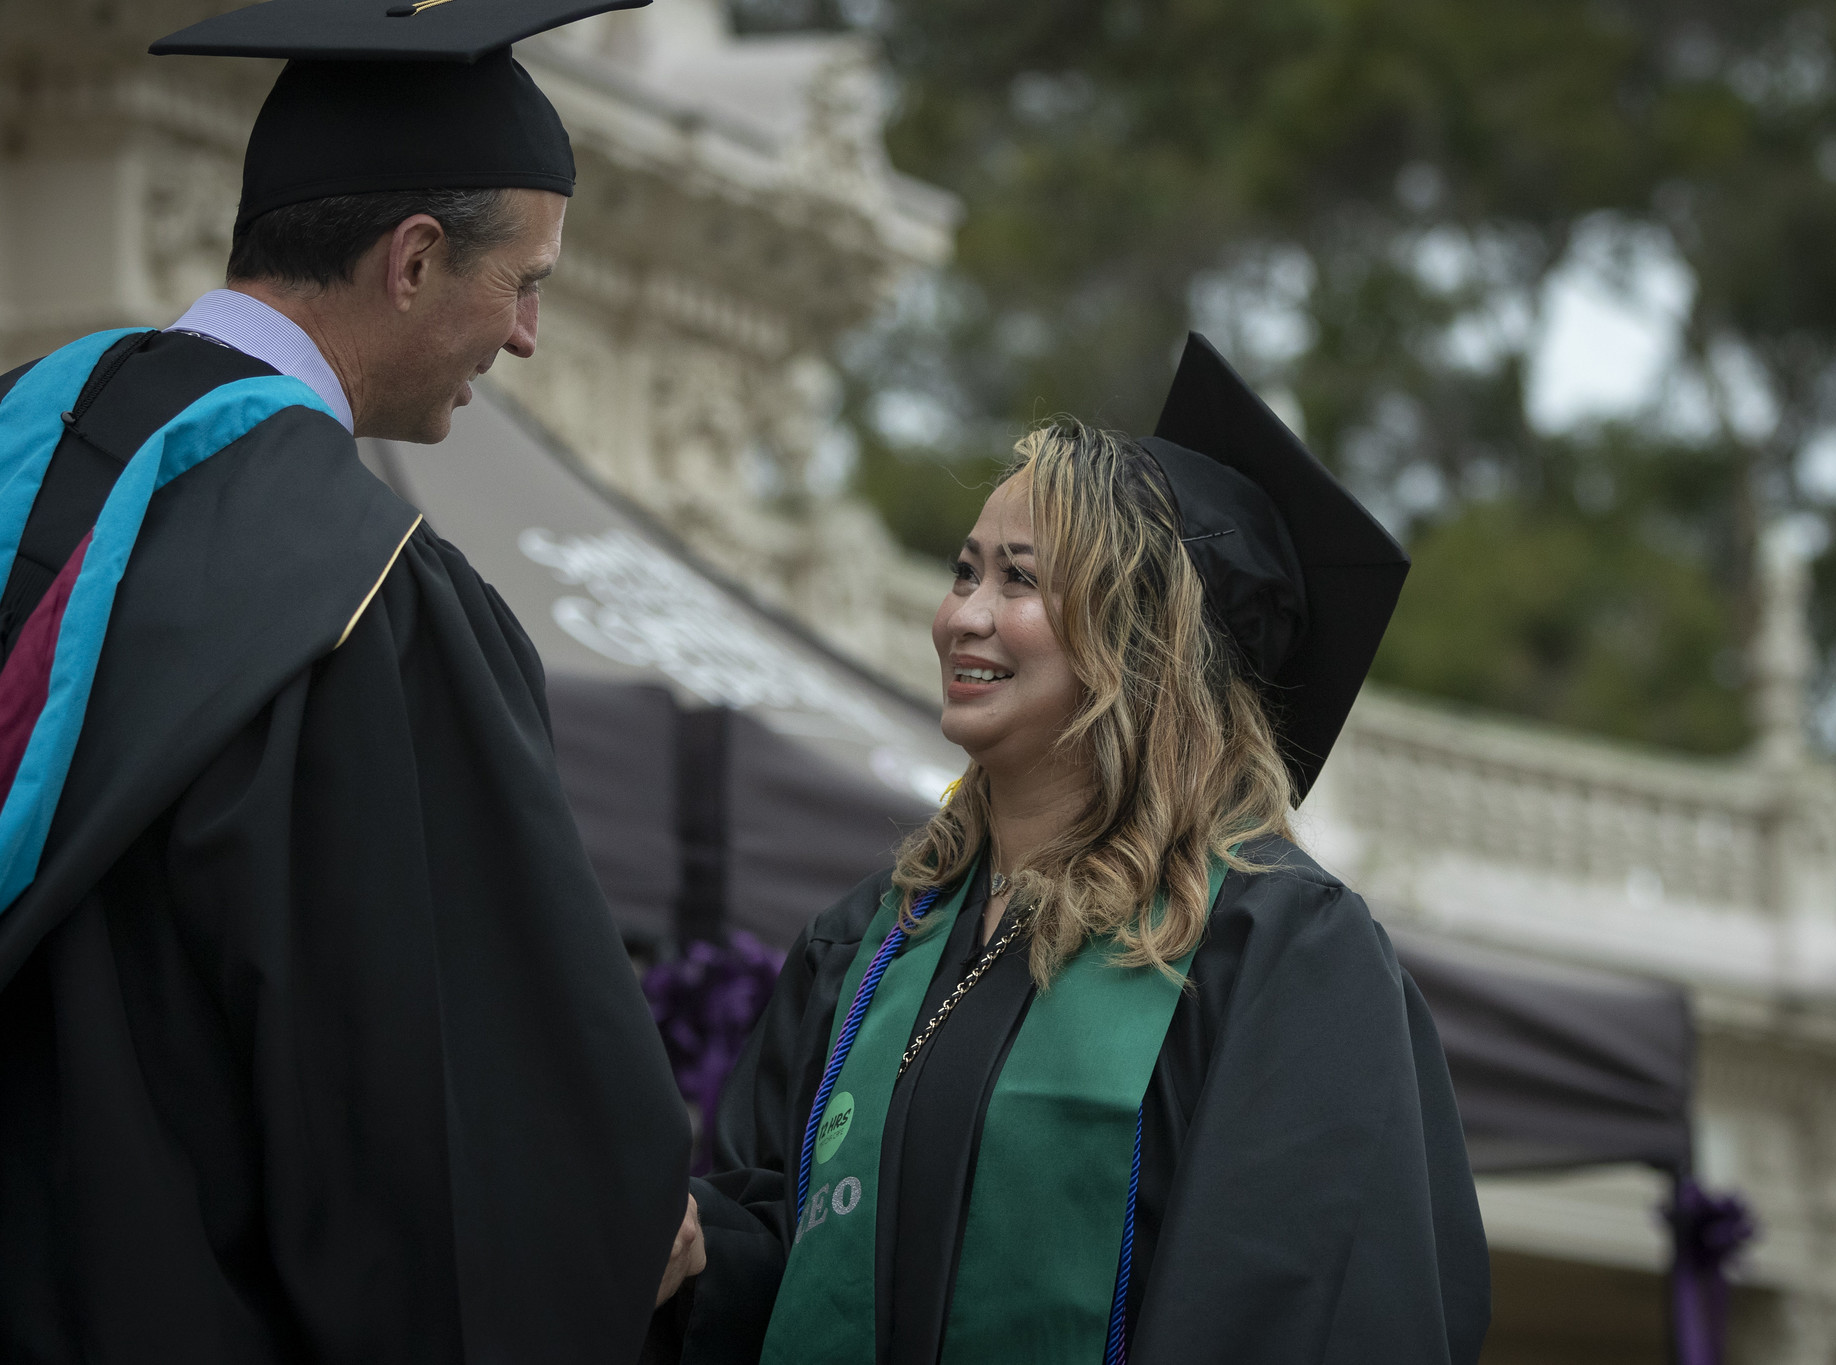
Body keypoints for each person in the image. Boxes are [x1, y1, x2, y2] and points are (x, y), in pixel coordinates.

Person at [0, 2, 703, 1360]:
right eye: (527, 281)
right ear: (416, 259)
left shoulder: (28, 435)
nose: (528, 336)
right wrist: (626, 1221)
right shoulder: (363, 598)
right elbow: (441, 1113)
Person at [677, 335, 1489, 1363]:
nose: (963, 616)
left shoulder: (1271, 949)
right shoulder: (870, 943)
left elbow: (1308, 1306)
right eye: (962, 571)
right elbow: (785, 1240)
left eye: (1019, 581)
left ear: (1144, 643)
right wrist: (696, 1252)